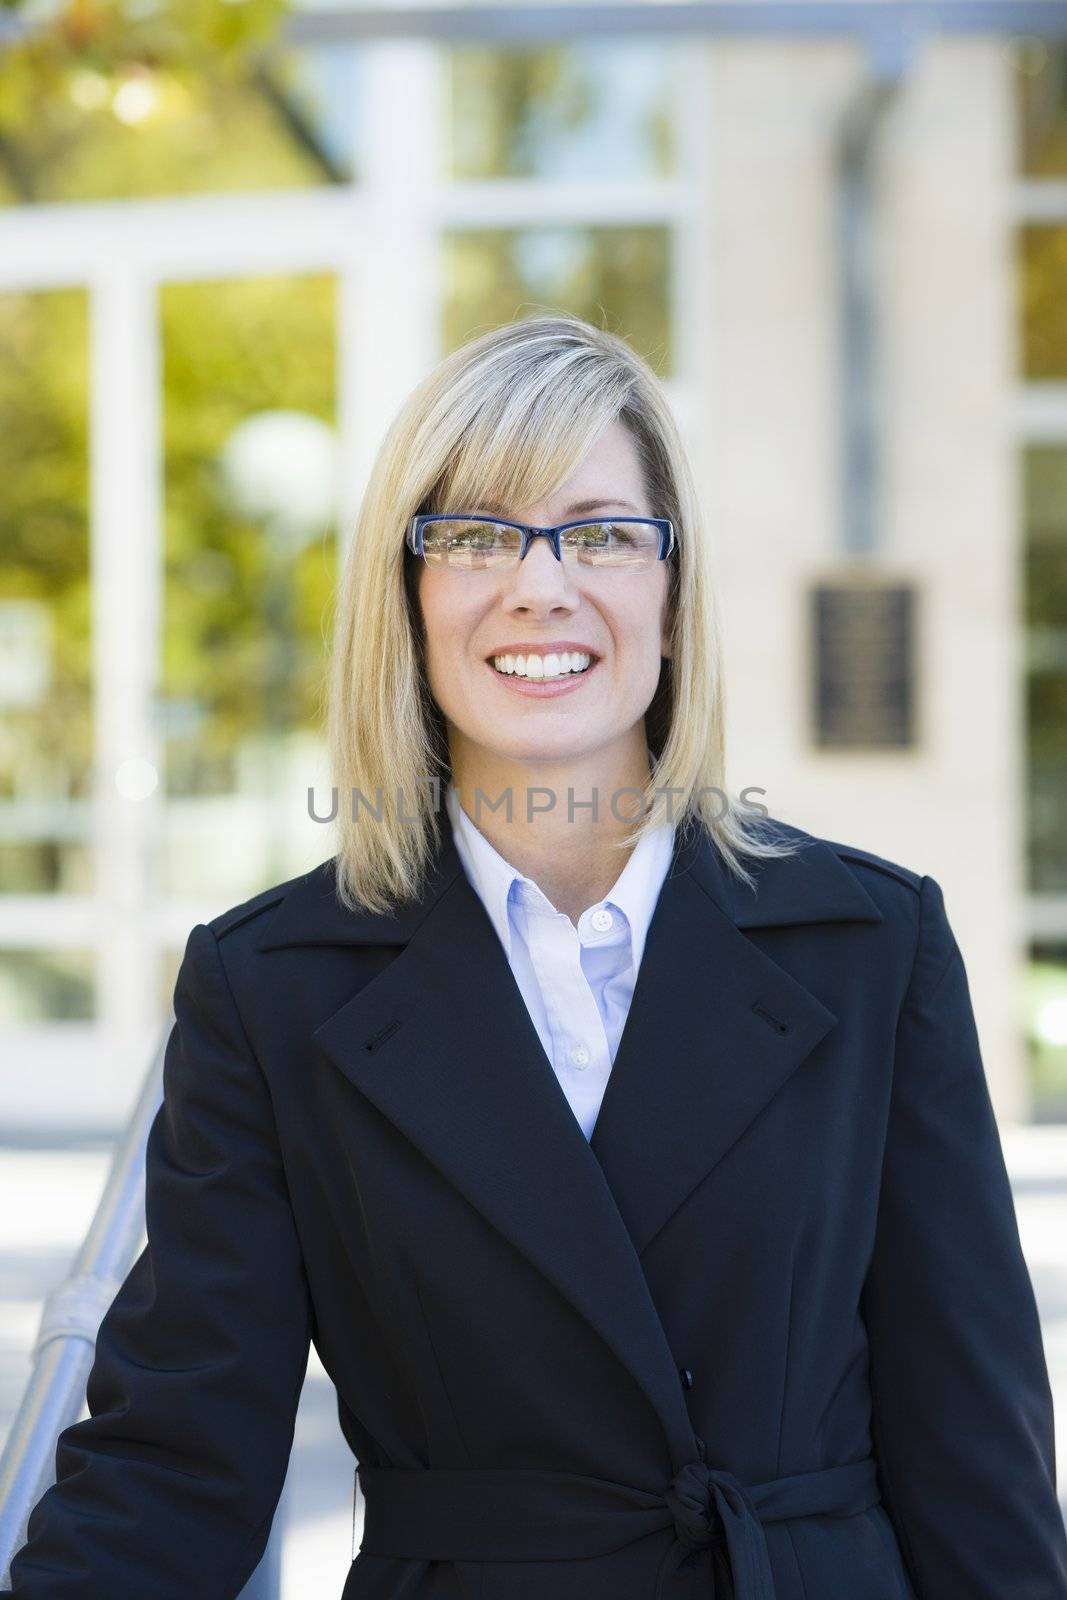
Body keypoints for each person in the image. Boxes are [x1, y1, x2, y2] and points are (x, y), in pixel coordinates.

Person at [10, 312, 1067, 1600]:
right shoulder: (277, 983)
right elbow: (175, 1461)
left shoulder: (867, 945)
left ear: (673, 601)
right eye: (474, 533)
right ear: (407, 599)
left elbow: (975, 1449)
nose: (541, 583)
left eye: (605, 532)